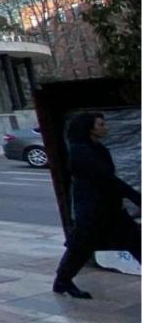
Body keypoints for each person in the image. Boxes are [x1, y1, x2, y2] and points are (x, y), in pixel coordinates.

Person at [54, 112, 140, 299]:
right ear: (90, 129)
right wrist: (136, 197)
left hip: (111, 209)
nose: (105, 127)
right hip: (92, 211)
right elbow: (108, 179)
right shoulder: (80, 151)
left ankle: (62, 280)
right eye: (101, 124)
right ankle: (62, 280)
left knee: (136, 241)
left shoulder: (97, 148)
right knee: (81, 248)